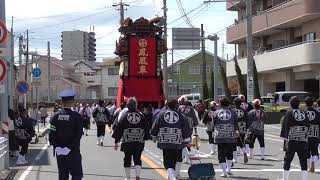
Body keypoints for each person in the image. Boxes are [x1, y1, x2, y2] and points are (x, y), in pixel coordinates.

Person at [151, 99, 192, 180]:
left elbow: (155, 126)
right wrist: (187, 141)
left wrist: (154, 135)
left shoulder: (161, 114)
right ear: (177, 106)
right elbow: (186, 130)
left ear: (167, 105)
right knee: (177, 159)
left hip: (165, 141)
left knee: (168, 162)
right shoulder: (181, 116)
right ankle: (175, 175)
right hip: (177, 141)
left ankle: (172, 177)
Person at [48, 89, 84, 180]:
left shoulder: (55, 116)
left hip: (59, 152)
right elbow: (78, 135)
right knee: (76, 175)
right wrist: (69, 148)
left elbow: (51, 135)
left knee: (63, 175)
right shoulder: (77, 117)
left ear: (62, 102)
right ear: (72, 102)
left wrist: (58, 147)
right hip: (73, 151)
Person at [112, 97, 150, 180]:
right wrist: (146, 137)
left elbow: (119, 129)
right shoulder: (141, 116)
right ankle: (137, 175)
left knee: (127, 159)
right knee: (137, 158)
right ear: (136, 106)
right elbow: (146, 128)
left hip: (127, 141)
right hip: (139, 141)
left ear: (127, 106)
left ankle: (128, 177)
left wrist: (116, 142)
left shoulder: (124, 116)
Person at [281, 96, 309, 180]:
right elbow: (308, 126)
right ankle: (305, 179)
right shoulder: (304, 113)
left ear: (290, 104)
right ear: (299, 104)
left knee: (287, 160)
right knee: (303, 160)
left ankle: (285, 178)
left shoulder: (289, 113)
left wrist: (285, 141)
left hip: (292, 139)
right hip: (303, 140)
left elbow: (286, 128)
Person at [213, 97, 239, 177]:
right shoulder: (233, 112)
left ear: (220, 103)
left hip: (220, 136)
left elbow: (214, 124)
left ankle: (224, 172)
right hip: (230, 136)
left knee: (221, 154)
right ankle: (229, 170)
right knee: (229, 153)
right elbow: (236, 124)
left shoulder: (216, 112)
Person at [177, 95, 199, 162]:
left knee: (181, 141)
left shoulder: (178, 108)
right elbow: (195, 118)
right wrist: (195, 125)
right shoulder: (191, 109)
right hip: (189, 128)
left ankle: (183, 155)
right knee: (188, 141)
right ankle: (187, 156)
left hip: (180, 128)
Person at [304, 97, 320, 173]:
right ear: (313, 104)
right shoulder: (317, 113)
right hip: (315, 134)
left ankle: (309, 167)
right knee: (315, 152)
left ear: (305, 104)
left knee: (306, 152)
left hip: (306, 135)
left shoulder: (303, 113)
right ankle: (313, 164)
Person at [233, 97, 249, 163]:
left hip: (235, 127)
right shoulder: (244, 111)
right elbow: (247, 120)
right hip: (242, 126)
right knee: (241, 141)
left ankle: (235, 159)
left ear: (234, 103)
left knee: (233, 143)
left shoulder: (232, 110)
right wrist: (247, 128)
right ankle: (244, 151)